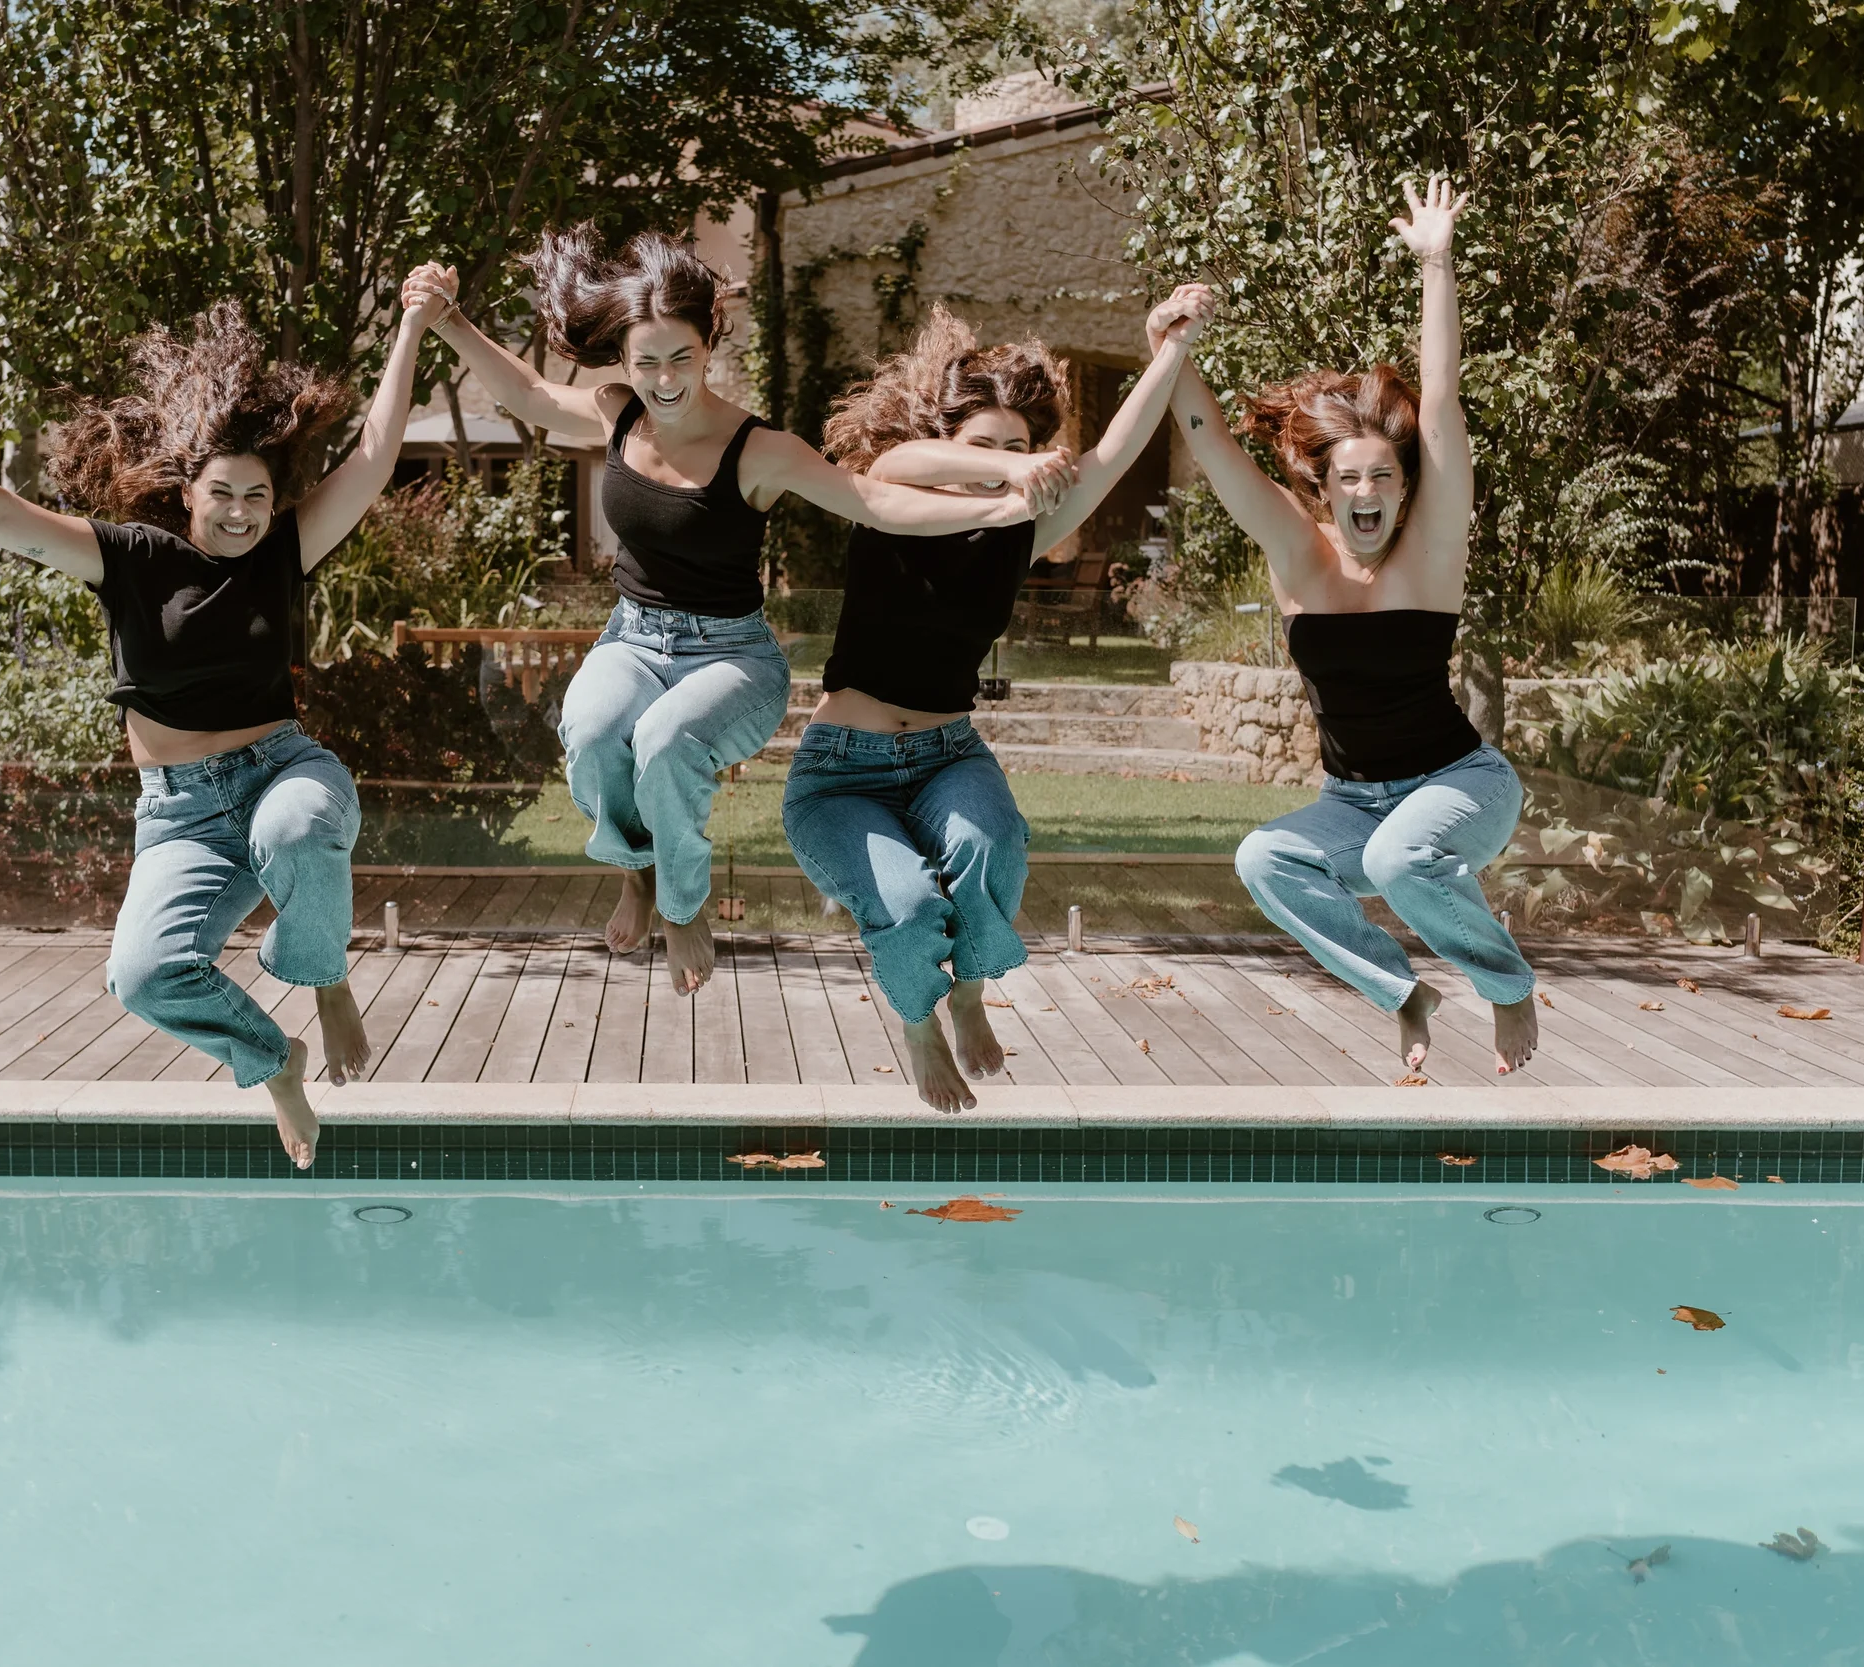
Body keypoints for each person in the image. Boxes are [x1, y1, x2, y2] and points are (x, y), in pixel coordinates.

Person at [0, 285, 446, 1168]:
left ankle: (325, 979)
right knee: (143, 976)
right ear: (188, 492)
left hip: (284, 770)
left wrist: (409, 326)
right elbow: (2, 515)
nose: (242, 513)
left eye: (257, 495)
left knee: (299, 828)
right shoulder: (134, 561)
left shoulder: (286, 551)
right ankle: (273, 1059)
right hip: (181, 813)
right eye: (223, 493)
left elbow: (372, 456)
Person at [400, 230, 1054, 998]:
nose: (664, 379)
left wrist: (1009, 502)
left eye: (681, 357)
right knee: (590, 727)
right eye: (645, 362)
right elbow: (532, 398)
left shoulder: (758, 448)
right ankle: (638, 871)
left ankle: (682, 904)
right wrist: (448, 320)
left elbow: (874, 500)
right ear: (622, 358)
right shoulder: (618, 415)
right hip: (633, 640)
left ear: (708, 342)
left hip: (732, 657)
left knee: (666, 738)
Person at [783, 292, 1193, 1111]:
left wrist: (1170, 349)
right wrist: (1012, 474)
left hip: (946, 756)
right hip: (840, 774)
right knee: (904, 905)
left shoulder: (1018, 533)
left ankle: (968, 992)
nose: (1005, 458)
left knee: (995, 844)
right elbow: (895, 467)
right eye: (982, 445)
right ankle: (918, 1021)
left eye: (1019, 444)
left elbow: (1113, 453)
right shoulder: (888, 502)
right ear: (946, 443)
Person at [1168, 176, 1539, 1076]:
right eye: (1349, 479)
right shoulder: (1298, 556)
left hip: (1460, 784)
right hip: (1351, 805)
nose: (1366, 492)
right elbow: (1210, 445)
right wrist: (1171, 351)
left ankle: (1507, 983)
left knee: (1401, 855)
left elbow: (1442, 406)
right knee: (1264, 857)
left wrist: (1437, 261)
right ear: (1323, 485)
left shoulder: (1431, 553)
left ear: (1406, 486)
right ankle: (1402, 990)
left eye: (1383, 476)